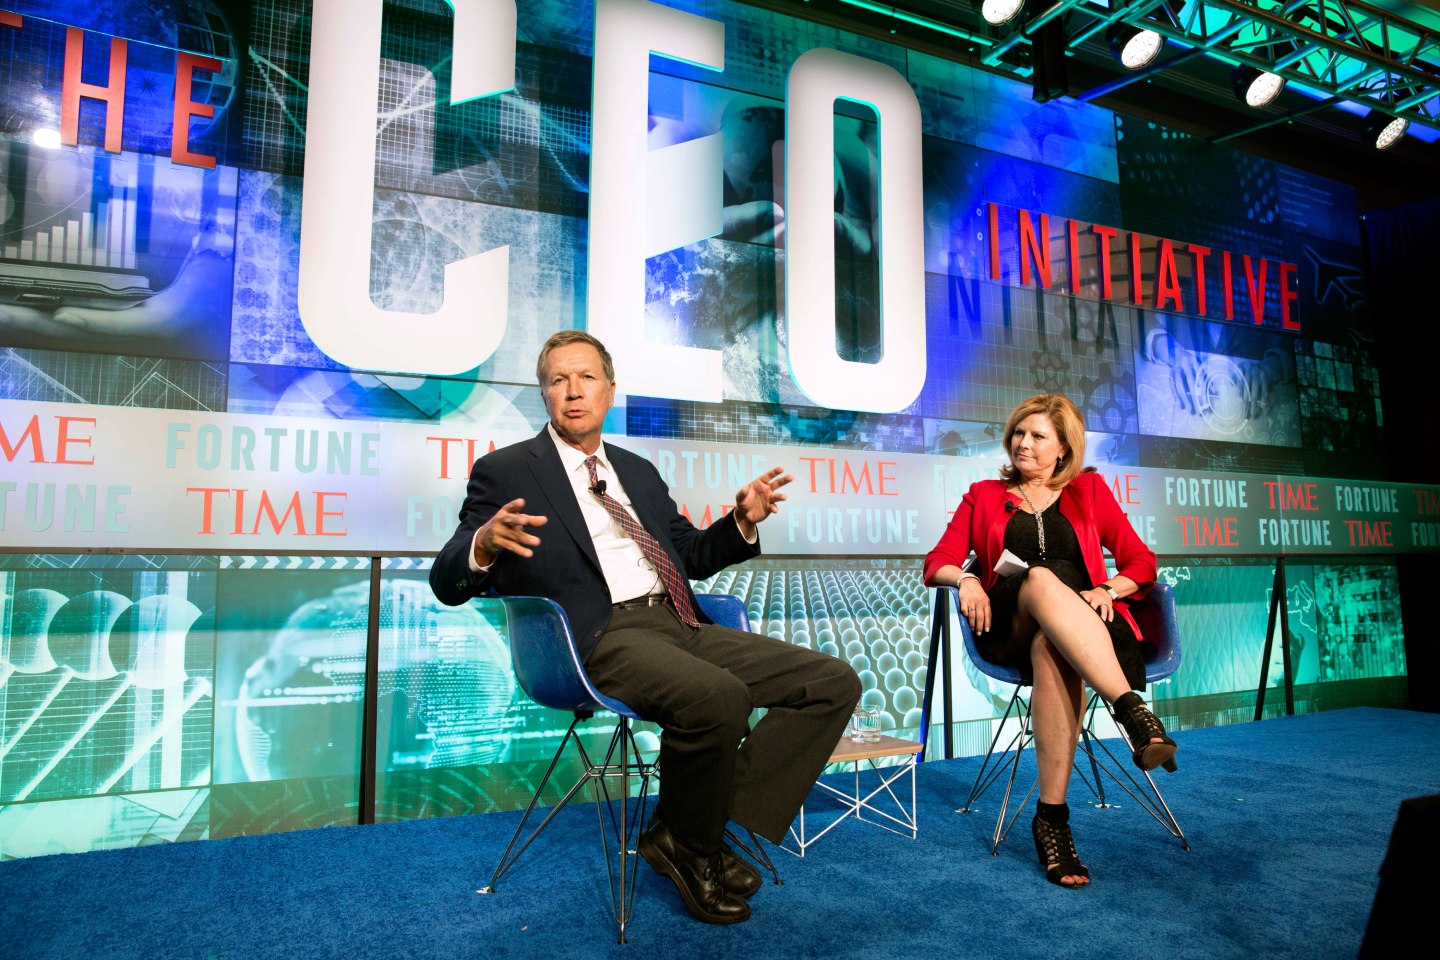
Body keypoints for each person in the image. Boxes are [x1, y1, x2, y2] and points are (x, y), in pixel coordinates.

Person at [431, 330, 861, 925]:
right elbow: (446, 577)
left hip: (681, 622)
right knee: (717, 697)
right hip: (601, 637)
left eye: (585, 377)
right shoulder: (506, 471)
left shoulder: (636, 469)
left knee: (831, 682)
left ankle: (689, 829)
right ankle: (695, 845)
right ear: (544, 395)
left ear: (610, 389)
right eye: (558, 380)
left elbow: (686, 553)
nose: (573, 391)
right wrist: (480, 544)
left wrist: (740, 522)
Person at [922, 393, 1172, 889]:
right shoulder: (984, 494)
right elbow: (937, 561)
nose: (1023, 443)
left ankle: (1052, 820)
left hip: (1084, 628)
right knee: (1038, 580)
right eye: (1019, 432)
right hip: (1008, 625)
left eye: (1038, 436)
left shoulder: (1090, 492)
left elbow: (1142, 563)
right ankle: (1130, 710)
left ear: (1063, 449)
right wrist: (967, 581)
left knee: (1052, 649)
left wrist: (1107, 588)